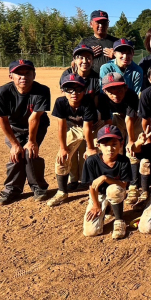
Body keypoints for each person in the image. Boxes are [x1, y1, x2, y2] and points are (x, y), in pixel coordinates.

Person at [0, 60, 50, 205]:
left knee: (30, 153)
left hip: (37, 126)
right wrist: (14, 144)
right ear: (11, 76)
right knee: (16, 153)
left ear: (34, 75)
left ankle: (39, 188)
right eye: (19, 73)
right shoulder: (2, 92)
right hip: (14, 128)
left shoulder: (42, 90)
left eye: (27, 73)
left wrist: (32, 141)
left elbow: (34, 118)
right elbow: (3, 120)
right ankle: (12, 189)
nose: (23, 77)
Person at [47, 74, 100, 207]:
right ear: (62, 90)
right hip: (75, 128)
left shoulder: (88, 102)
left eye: (78, 89)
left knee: (98, 154)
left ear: (84, 90)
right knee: (62, 157)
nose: (74, 93)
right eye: (69, 89)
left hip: (93, 126)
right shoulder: (60, 102)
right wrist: (63, 148)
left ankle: (97, 190)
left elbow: (87, 128)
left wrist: (90, 147)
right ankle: (62, 191)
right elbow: (61, 126)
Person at [59, 44, 100, 191]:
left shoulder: (95, 78)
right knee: (72, 150)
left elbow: (95, 101)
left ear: (93, 60)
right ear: (74, 60)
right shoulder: (67, 74)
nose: (84, 61)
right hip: (71, 119)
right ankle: (73, 179)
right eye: (80, 57)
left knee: (84, 149)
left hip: (87, 119)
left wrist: (90, 118)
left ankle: (84, 179)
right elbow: (65, 97)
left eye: (88, 57)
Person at [99, 72, 144, 204]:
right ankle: (118, 179)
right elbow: (107, 119)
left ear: (125, 87)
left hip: (134, 119)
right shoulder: (102, 98)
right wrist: (110, 139)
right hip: (117, 117)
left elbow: (129, 119)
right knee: (116, 149)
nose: (115, 94)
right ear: (104, 91)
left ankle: (134, 185)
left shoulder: (131, 95)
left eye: (119, 90)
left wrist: (130, 141)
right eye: (110, 91)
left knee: (132, 150)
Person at [82, 125, 131, 239]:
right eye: (105, 145)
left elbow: (123, 185)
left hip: (116, 192)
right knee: (90, 232)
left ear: (121, 144)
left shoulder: (124, 161)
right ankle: (107, 208)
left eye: (114, 144)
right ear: (98, 146)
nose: (110, 149)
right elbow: (92, 187)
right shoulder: (91, 161)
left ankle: (119, 220)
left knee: (113, 190)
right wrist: (95, 205)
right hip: (97, 195)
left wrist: (105, 178)